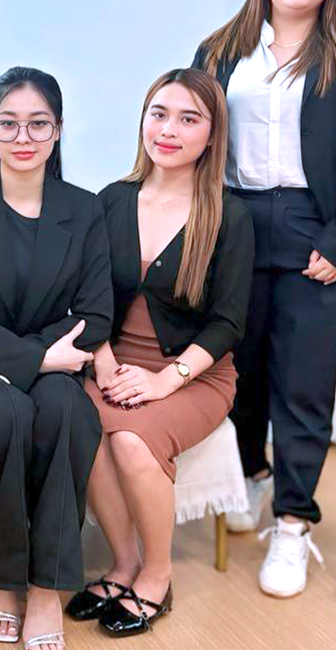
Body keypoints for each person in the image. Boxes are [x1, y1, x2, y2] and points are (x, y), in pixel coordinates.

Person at [192, 0, 336, 598]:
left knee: (303, 383)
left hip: (317, 226)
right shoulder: (222, 48)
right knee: (240, 367)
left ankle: (293, 521)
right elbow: (194, 140)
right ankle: (253, 474)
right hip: (236, 224)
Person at [65, 68, 253, 637]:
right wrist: (104, 364)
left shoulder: (229, 214)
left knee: (130, 439)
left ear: (212, 133)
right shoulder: (111, 201)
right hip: (111, 361)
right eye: (159, 114)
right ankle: (122, 564)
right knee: (80, 423)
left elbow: (228, 323)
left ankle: (157, 575)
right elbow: (85, 297)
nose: (169, 130)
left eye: (188, 119)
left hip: (195, 374)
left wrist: (164, 380)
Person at [0, 67, 112, 650]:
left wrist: (47, 362)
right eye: (8, 123)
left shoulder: (84, 209)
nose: (23, 136)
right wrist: (36, 359)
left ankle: (45, 587)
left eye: (38, 124)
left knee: (68, 413)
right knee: (5, 416)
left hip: (59, 362)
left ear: (58, 131)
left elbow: (96, 314)